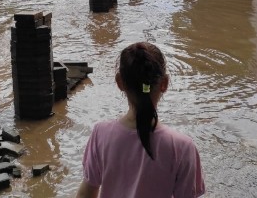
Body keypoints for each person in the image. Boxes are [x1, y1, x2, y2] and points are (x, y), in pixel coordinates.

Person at [76, 42, 205, 198]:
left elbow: (86, 194)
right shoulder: (183, 147)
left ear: (120, 83)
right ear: (164, 84)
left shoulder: (101, 134)